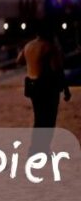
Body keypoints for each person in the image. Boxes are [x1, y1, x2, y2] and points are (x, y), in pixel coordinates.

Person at [18, 21, 71, 155]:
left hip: (32, 86)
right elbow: (57, 70)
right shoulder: (49, 47)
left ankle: (34, 148)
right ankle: (43, 149)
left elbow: (18, 61)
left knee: (38, 118)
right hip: (47, 87)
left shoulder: (28, 45)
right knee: (48, 120)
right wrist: (66, 89)